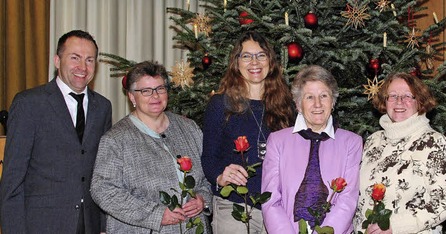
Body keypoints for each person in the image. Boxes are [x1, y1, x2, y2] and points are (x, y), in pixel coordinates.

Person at [0, 30, 112, 233]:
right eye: (74, 58)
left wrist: (104, 226)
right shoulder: (29, 104)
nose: (82, 67)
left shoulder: (103, 107)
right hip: (42, 224)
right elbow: (12, 181)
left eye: (90, 60)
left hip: (90, 225)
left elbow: (103, 174)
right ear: (57, 61)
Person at [90, 61, 212, 233]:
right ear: (132, 97)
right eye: (146, 91)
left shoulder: (189, 128)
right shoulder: (116, 139)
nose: (155, 96)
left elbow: (208, 176)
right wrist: (156, 214)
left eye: (160, 89)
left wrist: (202, 199)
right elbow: (103, 191)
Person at [201, 31, 294, 233]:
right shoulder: (220, 104)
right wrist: (219, 176)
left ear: (270, 61)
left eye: (261, 55)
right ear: (237, 62)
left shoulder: (287, 106)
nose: (255, 62)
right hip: (234, 206)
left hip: (279, 208)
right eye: (246, 56)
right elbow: (209, 157)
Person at [261, 65, 363, 233]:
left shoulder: (352, 143)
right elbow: (270, 200)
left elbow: (347, 200)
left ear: (333, 102)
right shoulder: (277, 141)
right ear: (298, 104)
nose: (317, 104)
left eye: (324, 95)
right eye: (309, 97)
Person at [353, 73, 446, 234]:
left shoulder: (433, 142)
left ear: (420, 101)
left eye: (408, 96)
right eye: (392, 95)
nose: (399, 101)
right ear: (384, 101)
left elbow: (445, 202)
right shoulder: (373, 141)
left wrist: (395, 226)